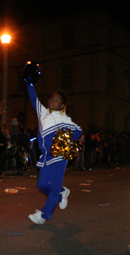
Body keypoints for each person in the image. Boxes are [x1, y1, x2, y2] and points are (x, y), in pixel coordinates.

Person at [26, 84, 82, 225]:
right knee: (42, 185)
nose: (52, 100)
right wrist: (30, 82)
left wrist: (70, 139)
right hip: (46, 155)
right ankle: (62, 193)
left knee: (54, 186)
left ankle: (44, 215)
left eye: (56, 100)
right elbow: (33, 97)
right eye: (52, 98)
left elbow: (78, 130)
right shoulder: (42, 112)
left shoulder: (65, 119)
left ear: (62, 105)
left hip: (60, 156)